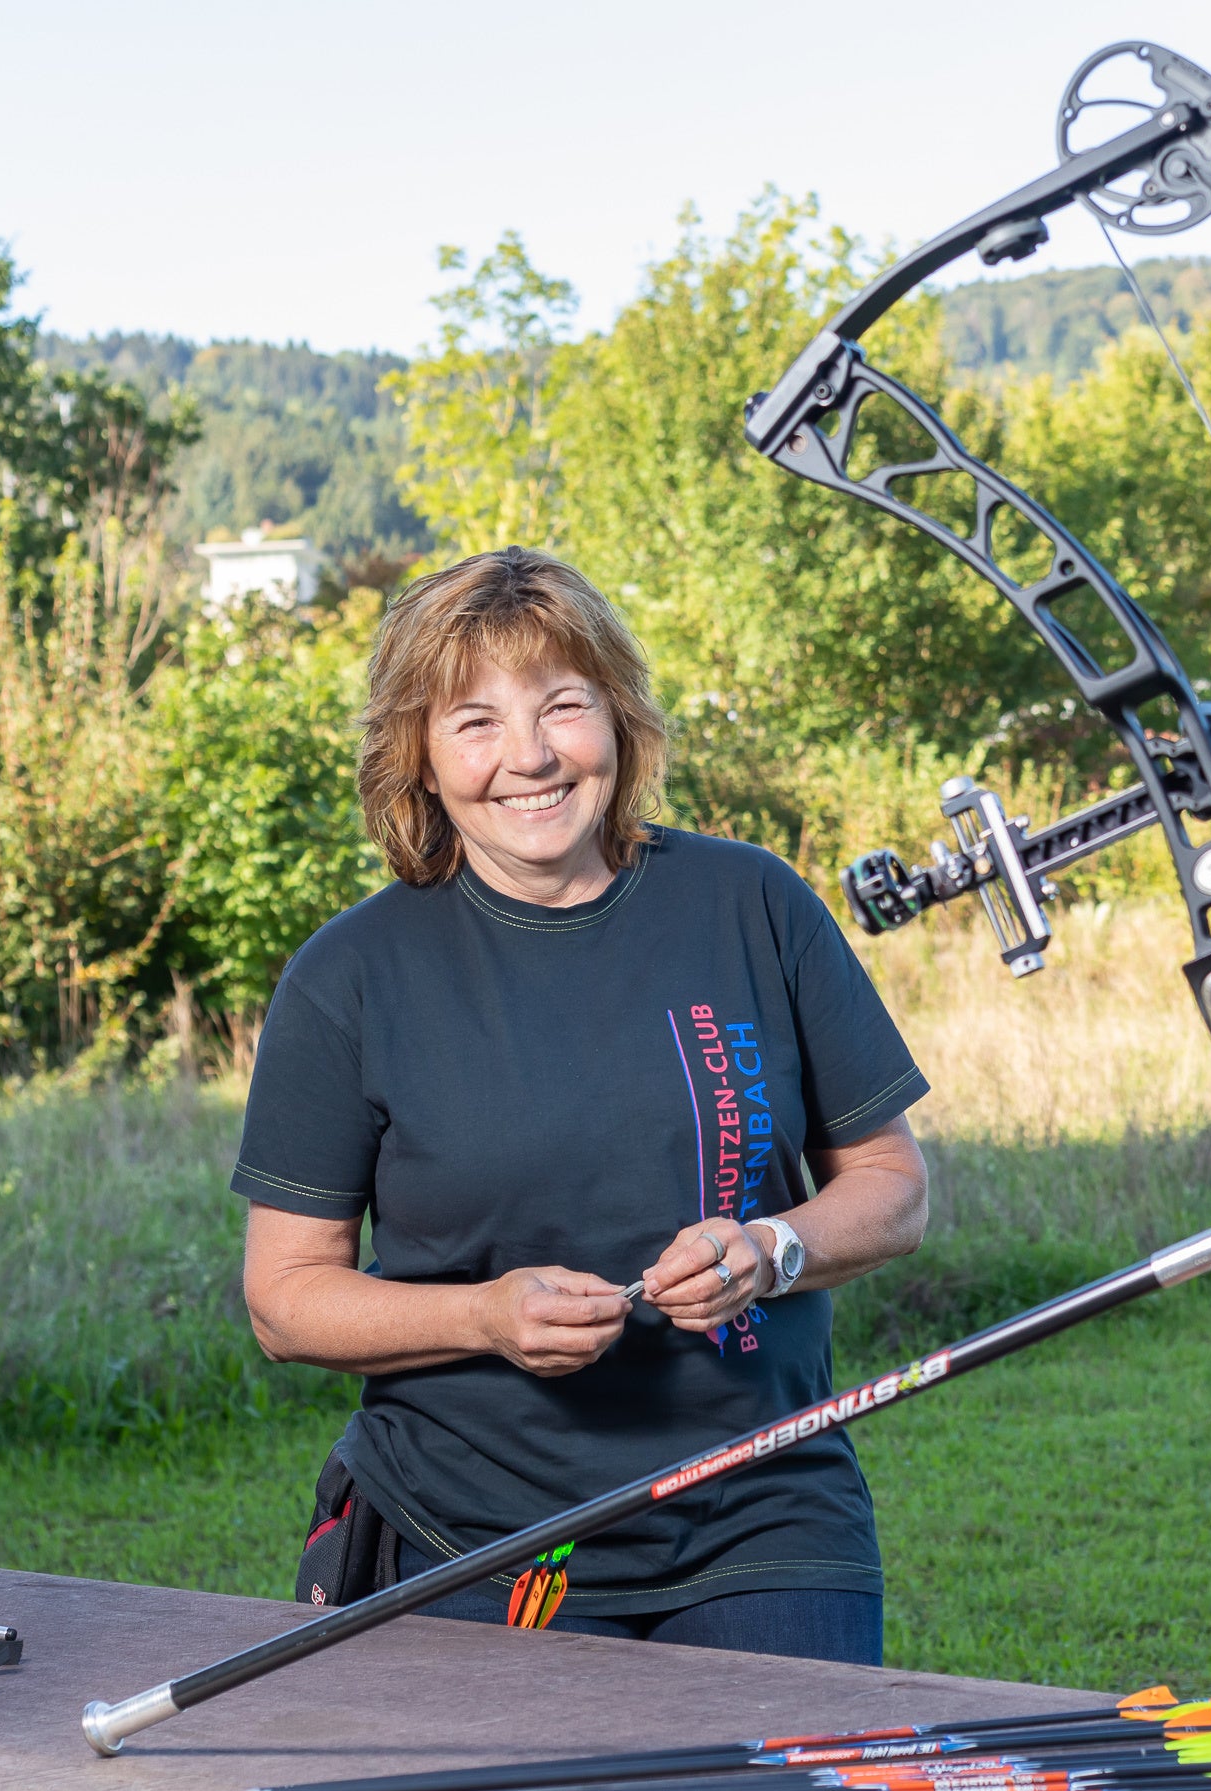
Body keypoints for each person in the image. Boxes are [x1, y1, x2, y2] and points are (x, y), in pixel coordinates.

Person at [234, 545, 931, 1665]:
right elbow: (284, 1298)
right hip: (470, 1533)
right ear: (416, 754)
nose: (531, 756)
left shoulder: (753, 902)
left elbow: (894, 1191)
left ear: (617, 717)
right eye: (474, 722)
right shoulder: (349, 976)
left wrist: (772, 1247)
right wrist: (484, 1316)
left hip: (764, 1508)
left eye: (563, 705)